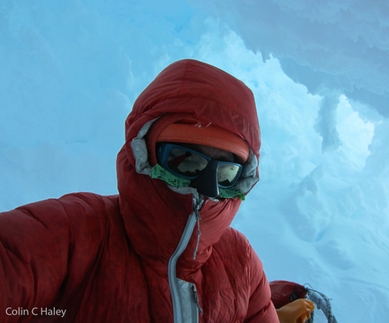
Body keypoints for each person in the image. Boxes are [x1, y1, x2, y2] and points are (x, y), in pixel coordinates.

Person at [0, 59, 314, 322]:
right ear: (143, 153)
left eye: (227, 172)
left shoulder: (241, 262)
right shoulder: (72, 234)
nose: (206, 188)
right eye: (186, 160)